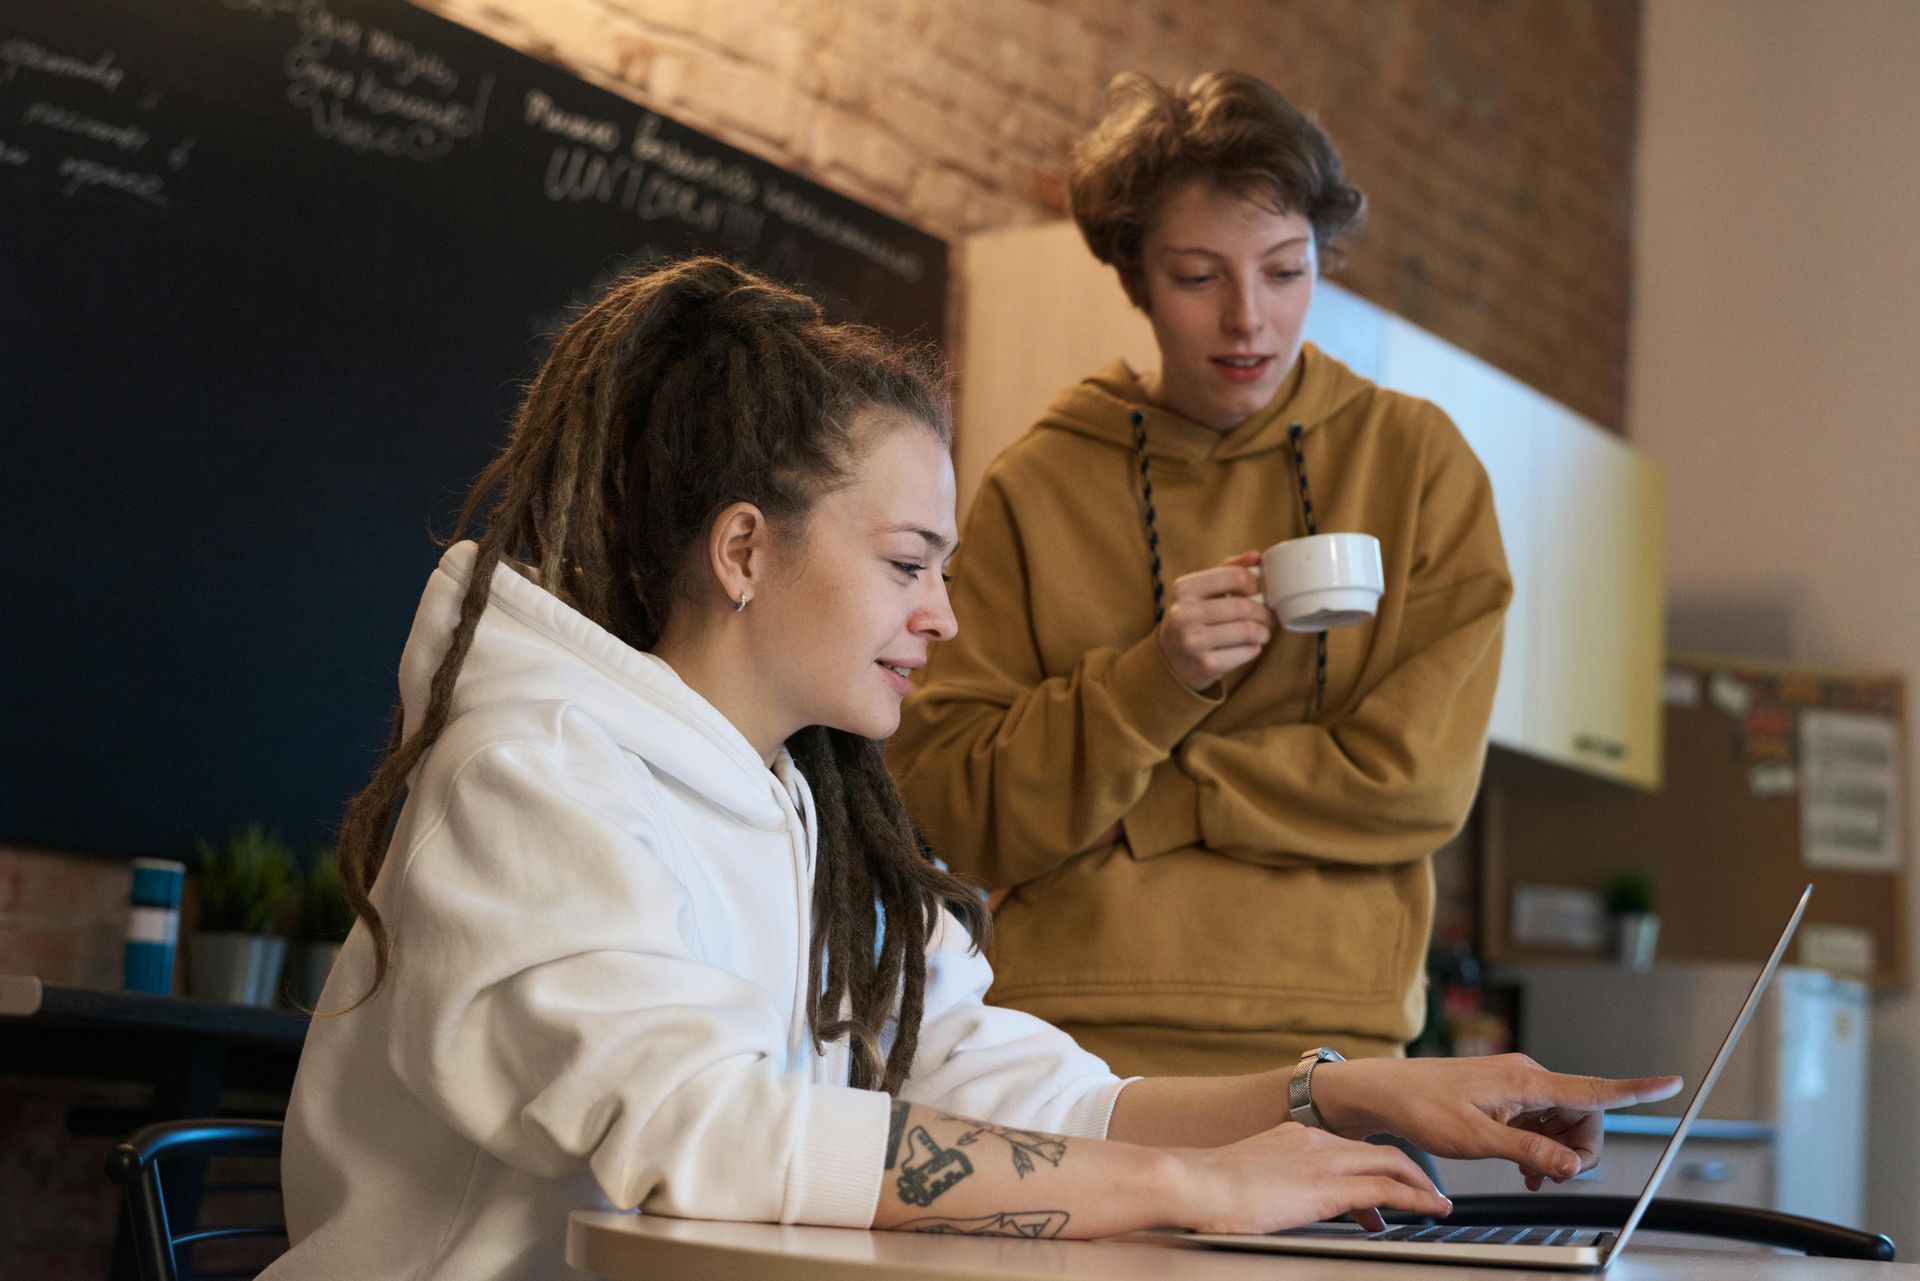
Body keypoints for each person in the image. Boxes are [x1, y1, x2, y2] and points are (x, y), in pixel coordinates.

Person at [266, 258, 1670, 1280]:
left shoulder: (796, 804)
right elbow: (707, 1136)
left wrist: (1336, 1092)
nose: (941, 615)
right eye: (906, 565)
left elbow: (1011, 1083)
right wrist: (1185, 1185)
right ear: (744, 551)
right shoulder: (538, 774)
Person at [887, 71, 1514, 1077]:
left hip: (1335, 1055)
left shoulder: (1417, 465)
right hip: (1070, 1054)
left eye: (1285, 269)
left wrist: (1153, 804)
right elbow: (949, 809)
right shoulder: (1036, 489)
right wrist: (1155, 682)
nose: (1248, 320)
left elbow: (1418, 782)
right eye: (1197, 276)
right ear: (1135, 277)